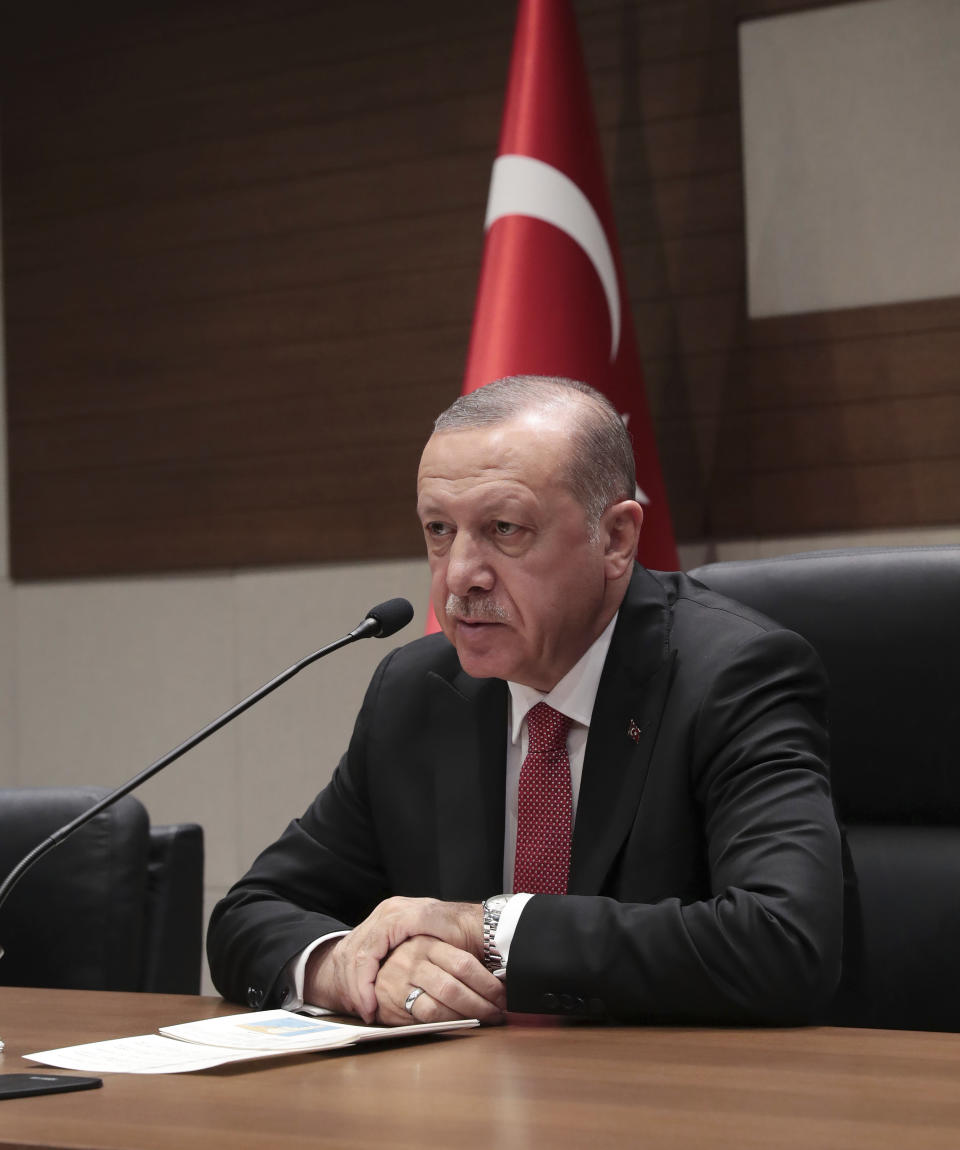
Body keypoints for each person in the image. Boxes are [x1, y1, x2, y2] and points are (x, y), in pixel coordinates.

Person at [207, 375, 843, 1027]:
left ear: (617, 539)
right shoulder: (419, 691)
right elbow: (249, 913)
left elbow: (783, 941)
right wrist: (344, 964)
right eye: (438, 529)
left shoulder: (731, 677)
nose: (459, 574)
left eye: (504, 528)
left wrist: (482, 928)